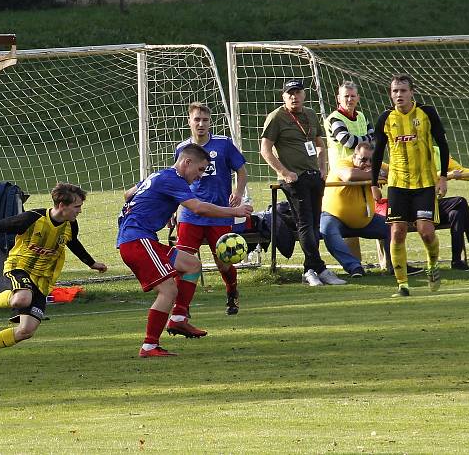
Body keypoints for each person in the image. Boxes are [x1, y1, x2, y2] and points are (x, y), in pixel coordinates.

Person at [0, 183, 107, 366]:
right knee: (21, 299)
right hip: (20, 266)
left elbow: (73, 243)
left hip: (43, 278)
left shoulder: (71, 225)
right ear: (62, 205)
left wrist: (91, 263)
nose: (80, 211)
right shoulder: (32, 218)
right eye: (77, 207)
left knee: (26, 331)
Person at [117, 143, 252, 357]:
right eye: (199, 170)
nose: (199, 177)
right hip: (137, 240)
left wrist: (157, 207)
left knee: (191, 264)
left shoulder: (159, 176)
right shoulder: (173, 179)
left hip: (139, 239)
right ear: (186, 162)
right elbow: (198, 207)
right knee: (168, 290)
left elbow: (127, 195)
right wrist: (235, 211)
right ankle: (149, 346)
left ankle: (179, 318)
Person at [260, 79, 345, 287]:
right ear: (283, 96)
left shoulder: (310, 114)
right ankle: (319, 269)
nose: (293, 97)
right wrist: (284, 172)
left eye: (297, 92)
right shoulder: (276, 117)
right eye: (289, 93)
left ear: (304, 95)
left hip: (313, 176)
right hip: (294, 179)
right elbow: (265, 149)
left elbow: (320, 144)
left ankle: (311, 269)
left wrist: (323, 169)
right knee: (305, 223)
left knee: (315, 225)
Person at [371, 74, 450, 298]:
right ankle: (402, 284)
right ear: (391, 94)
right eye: (395, 91)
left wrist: (442, 177)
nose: (399, 95)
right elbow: (377, 153)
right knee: (397, 232)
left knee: (426, 232)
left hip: (424, 183)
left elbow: (442, 145)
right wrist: (374, 183)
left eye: (403, 91)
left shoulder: (427, 113)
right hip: (397, 184)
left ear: (412, 92)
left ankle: (432, 265)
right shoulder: (386, 118)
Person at [173, 102, 247, 319]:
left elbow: (241, 171)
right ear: (189, 121)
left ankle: (232, 290)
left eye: (205, 120)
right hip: (190, 215)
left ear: (211, 122)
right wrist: (172, 211)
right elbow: (176, 181)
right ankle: (182, 308)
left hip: (218, 214)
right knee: (183, 263)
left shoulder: (223, 145)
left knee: (223, 264)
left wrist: (239, 192)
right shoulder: (182, 149)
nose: (201, 124)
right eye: (197, 119)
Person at [320, 142, 424, 278]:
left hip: (366, 221)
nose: (368, 163)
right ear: (354, 156)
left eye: (372, 160)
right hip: (334, 217)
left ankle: (397, 265)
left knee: (393, 226)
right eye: (363, 160)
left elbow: (398, 172)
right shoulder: (341, 164)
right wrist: (377, 175)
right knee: (327, 230)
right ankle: (355, 268)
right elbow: (349, 175)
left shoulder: (375, 166)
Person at [323, 81, 376, 264]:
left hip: (363, 170)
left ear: (358, 98)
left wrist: (364, 141)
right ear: (338, 98)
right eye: (346, 96)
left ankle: (387, 264)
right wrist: (366, 140)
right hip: (342, 175)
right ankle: (356, 265)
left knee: (370, 210)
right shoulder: (334, 118)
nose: (349, 99)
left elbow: (373, 141)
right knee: (347, 217)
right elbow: (347, 141)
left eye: (353, 96)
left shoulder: (361, 116)